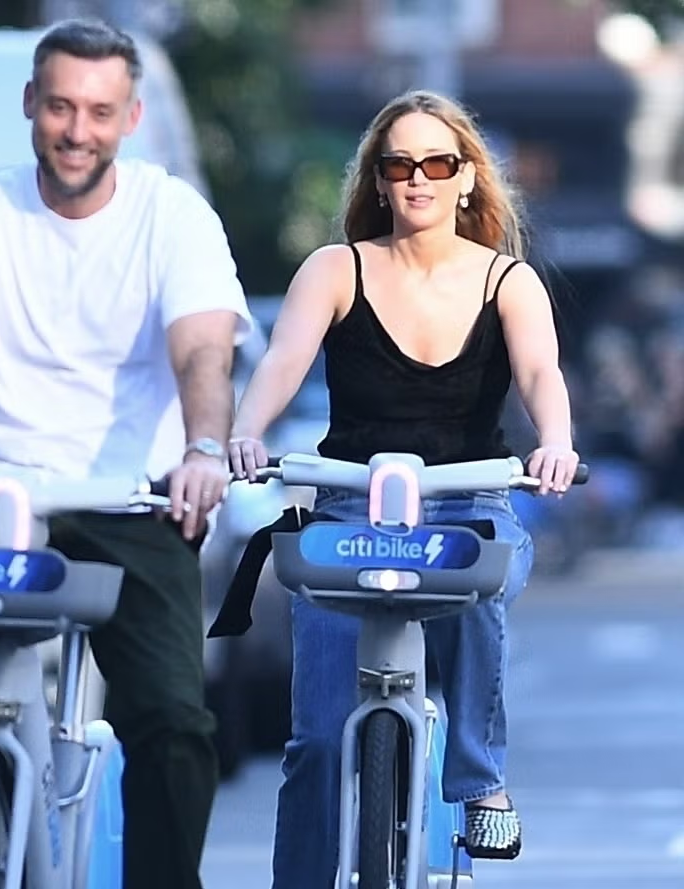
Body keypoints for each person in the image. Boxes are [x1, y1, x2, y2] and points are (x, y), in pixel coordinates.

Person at [0, 18, 251, 889]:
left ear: (130, 118)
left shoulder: (171, 215)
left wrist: (204, 447)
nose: (76, 129)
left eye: (99, 111)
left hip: (131, 499)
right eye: (60, 105)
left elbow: (201, 354)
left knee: (174, 723)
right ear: (30, 104)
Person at [228, 89, 579, 886]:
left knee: (479, 582)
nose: (417, 178)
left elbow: (538, 374)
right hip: (349, 506)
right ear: (377, 181)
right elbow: (282, 361)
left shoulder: (507, 281)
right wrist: (245, 431)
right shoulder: (334, 268)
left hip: (466, 502)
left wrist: (555, 444)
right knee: (315, 739)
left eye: (436, 162)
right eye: (398, 164)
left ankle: (477, 776)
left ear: (465, 178)